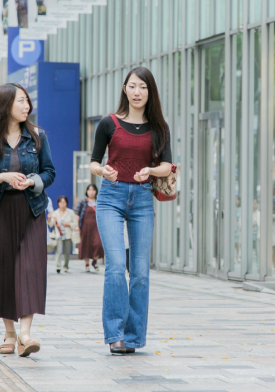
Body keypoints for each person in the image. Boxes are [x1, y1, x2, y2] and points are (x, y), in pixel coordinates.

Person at [0, 83, 55, 357]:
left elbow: (50, 171)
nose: (27, 106)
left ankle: (26, 335)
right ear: (5, 105)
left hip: (32, 211)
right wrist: (2, 178)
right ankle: (9, 332)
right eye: (21, 102)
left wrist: (33, 181)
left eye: (27, 101)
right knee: (4, 271)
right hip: (0, 212)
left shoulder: (38, 137)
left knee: (29, 270)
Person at [89, 67, 173, 354]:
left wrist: (150, 169)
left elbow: (166, 166)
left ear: (150, 92)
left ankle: (134, 337)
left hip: (141, 199)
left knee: (139, 272)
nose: (138, 92)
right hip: (111, 197)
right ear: (125, 89)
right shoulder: (108, 123)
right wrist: (103, 171)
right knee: (114, 266)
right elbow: (93, 162)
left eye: (143, 87)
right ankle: (115, 335)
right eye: (133, 86)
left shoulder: (159, 127)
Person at [75, 184, 103, 272]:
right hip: (85, 227)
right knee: (85, 245)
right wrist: (76, 226)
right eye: (89, 190)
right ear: (87, 191)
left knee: (98, 244)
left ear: (96, 191)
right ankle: (86, 264)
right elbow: (77, 214)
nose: (91, 192)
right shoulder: (83, 202)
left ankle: (94, 261)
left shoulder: (99, 202)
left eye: (93, 190)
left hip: (97, 227)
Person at [48, 195, 77, 274]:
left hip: (67, 235)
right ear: (58, 203)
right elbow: (51, 225)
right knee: (59, 251)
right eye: (61, 202)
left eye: (64, 202)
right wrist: (49, 218)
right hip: (59, 235)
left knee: (67, 252)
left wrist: (68, 224)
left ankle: (65, 266)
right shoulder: (55, 213)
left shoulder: (70, 212)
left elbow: (75, 224)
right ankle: (58, 266)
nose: (62, 204)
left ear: (67, 203)